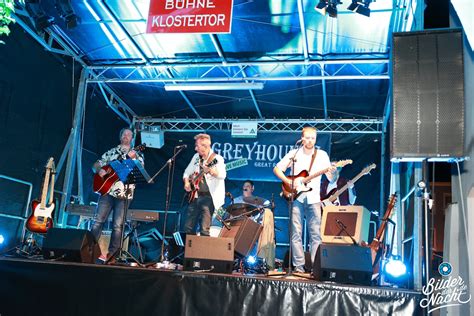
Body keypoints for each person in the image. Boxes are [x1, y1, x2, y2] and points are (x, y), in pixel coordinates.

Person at [273, 126, 335, 273]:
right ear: (302, 138)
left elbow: (331, 179)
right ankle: (299, 267)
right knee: (296, 233)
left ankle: (315, 267)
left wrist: (334, 171)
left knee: (315, 234)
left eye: (313, 138)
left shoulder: (322, 155)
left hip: (314, 198)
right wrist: (288, 181)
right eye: (307, 138)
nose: (310, 141)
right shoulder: (294, 154)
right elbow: (276, 169)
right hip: (297, 198)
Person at [90, 128, 144, 263]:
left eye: (129, 135)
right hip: (107, 191)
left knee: (118, 225)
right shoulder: (112, 152)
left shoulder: (137, 154)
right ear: (120, 137)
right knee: (98, 221)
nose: (126, 136)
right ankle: (89, 249)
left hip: (125, 194)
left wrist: (132, 160)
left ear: (132, 139)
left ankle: (112, 256)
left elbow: (140, 171)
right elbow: (95, 165)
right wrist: (100, 169)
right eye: (124, 134)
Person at [183, 133, 226, 236]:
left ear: (205, 146)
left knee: (204, 229)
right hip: (196, 196)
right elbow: (187, 172)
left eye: (197, 146)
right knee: (188, 227)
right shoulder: (196, 157)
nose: (195, 148)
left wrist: (211, 171)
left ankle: (203, 250)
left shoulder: (216, 159)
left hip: (209, 198)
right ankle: (189, 250)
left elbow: (222, 175)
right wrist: (187, 182)